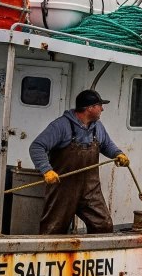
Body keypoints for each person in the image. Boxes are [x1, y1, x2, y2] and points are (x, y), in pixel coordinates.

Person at [29, 89, 130, 235]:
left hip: (91, 189)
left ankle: (96, 250)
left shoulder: (98, 127)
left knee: (103, 225)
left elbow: (107, 145)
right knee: (53, 230)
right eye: (99, 105)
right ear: (89, 108)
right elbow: (37, 146)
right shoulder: (61, 126)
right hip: (63, 189)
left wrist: (118, 154)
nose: (102, 109)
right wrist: (46, 170)